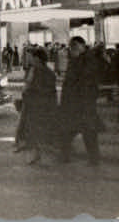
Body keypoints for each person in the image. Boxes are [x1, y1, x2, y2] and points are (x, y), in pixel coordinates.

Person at [57, 36, 102, 166]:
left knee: (84, 131)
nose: (71, 51)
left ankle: (91, 159)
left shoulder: (88, 60)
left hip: (82, 104)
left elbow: (85, 82)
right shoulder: (78, 59)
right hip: (77, 103)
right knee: (77, 131)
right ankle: (67, 156)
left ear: (79, 46)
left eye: (72, 47)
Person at [18, 46, 57, 165]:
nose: (31, 60)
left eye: (33, 58)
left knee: (40, 131)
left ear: (39, 59)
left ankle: (42, 154)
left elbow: (47, 90)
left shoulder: (47, 73)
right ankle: (37, 154)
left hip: (41, 105)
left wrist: (31, 89)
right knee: (33, 130)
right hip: (33, 104)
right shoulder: (34, 70)